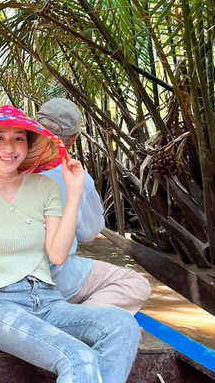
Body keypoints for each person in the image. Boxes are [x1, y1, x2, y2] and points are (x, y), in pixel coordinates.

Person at [0, 106, 140, 383]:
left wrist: (76, 190)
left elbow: (57, 255)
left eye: (18, 138)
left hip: (49, 300)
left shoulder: (46, 188)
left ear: (29, 146)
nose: (9, 147)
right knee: (78, 357)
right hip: (0, 305)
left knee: (123, 325)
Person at [37, 98, 151, 315]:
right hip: (60, 281)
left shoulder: (4, 166)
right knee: (135, 282)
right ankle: (87, 314)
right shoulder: (78, 178)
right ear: (73, 140)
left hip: (11, 278)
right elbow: (89, 233)